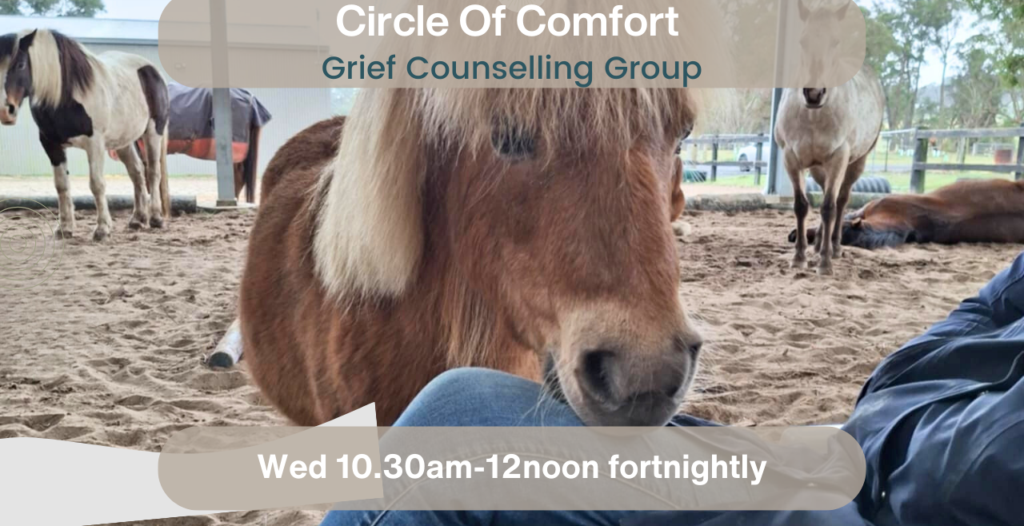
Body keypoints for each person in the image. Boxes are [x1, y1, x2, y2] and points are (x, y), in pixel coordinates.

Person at [322, 252, 1024, 526]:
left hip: (874, 511)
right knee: (479, 403)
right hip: (829, 460)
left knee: (456, 426)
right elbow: (985, 315)